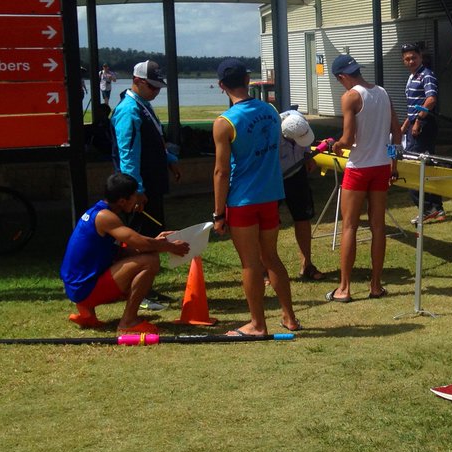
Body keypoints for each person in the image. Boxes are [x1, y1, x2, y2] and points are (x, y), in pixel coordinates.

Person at [211, 59, 300, 336]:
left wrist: (218, 213)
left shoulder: (224, 123)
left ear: (222, 86)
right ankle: (290, 317)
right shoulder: (271, 111)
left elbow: (221, 172)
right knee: (271, 257)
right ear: (248, 80)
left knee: (250, 263)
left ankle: (257, 324)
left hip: (243, 201)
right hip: (270, 196)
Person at [59, 172, 189, 334]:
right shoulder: (106, 217)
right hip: (84, 290)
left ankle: (87, 314)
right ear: (122, 201)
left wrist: (157, 243)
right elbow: (138, 242)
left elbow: (126, 249)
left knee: (136, 254)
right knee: (151, 261)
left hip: (76, 287)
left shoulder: (95, 212)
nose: (137, 199)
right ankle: (128, 322)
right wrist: (170, 247)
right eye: (134, 195)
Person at [324, 54, 401, 303]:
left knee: (349, 227)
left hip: (358, 169)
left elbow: (346, 140)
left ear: (341, 77)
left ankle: (344, 289)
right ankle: (375, 286)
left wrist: (334, 146)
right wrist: (393, 163)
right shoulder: (383, 92)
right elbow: (396, 134)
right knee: (378, 228)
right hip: (381, 167)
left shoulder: (350, 96)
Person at [111, 59, 180, 240]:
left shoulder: (143, 104)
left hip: (151, 181)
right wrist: (136, 190)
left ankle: (150, 262)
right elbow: (127, 153)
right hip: (140, 184)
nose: (156, 92)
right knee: (142, 234)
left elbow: (155, 139)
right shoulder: (129, 110)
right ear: (137, 80)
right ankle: (143, 264)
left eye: (158, 87)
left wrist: (169, 160)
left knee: (154, 231)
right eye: (152, 87)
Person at [400, 41, 445, 224]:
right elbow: (414, 106)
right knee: (427, 165)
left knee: (413, 167)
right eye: (407, 59)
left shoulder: (426, 75)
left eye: (414, 57)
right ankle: (437, 209)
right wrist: (404, 126)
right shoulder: (413, 77)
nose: (410, 61)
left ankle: (427, 208)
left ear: (420, 57)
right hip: (414, 124)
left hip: (424, 126)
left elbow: (431, 99)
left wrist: (418, 121)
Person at [278, 108, 324, 282]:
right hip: (274, 178)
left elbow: (306, 144)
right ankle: (266, 269)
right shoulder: (273, 133)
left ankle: (307, 265)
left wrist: (307, 156)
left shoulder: (298, 120)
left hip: (297, 173)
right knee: (270, 225)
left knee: (303, 218)